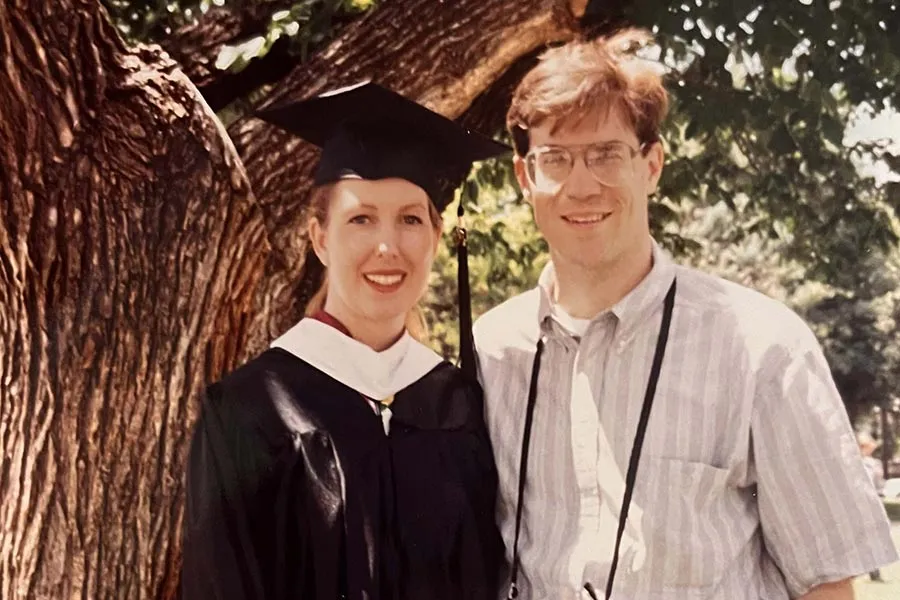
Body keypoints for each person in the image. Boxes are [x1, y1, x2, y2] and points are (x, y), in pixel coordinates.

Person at [473, 28, 898, 599]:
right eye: (556, 158)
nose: (581, 184)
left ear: (651, 165)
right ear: (526, 177)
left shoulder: (762, 348)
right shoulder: (492, 351)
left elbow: (826, 583)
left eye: (606, 154)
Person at [180, 81, 509, 600]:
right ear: (319, 238)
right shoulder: (247, 414)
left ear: (437, 237)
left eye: (409, 219)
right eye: (361, 219)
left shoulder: (460, 404)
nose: (388, 246)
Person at [858, 431, 887, 582]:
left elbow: (879, 485)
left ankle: (874, 571)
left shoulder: (874, 464)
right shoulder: (853, 462)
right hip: (857, 504)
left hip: (871, 503)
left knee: (872, 537)